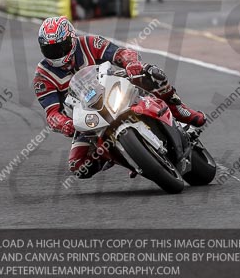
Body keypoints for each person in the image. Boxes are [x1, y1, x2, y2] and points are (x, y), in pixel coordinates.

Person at [32, 16, 206, 179]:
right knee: (79, 167)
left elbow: (120, 53)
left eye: (60, 47)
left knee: (153, 73)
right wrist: (64, 124)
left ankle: (179, 109)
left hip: (115, 87)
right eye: (50, 49)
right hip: (88, 118)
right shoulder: (42, 77)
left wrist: (131, 63)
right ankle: (116, 156)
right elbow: (52, 113)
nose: (57, 54)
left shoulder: (89, 42)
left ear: (72, 40)